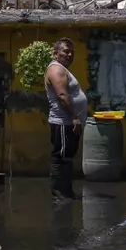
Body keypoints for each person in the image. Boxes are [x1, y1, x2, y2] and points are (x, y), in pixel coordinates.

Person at [44, 37, 88, 200]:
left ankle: (66, 192)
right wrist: (74, 117)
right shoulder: (56, 70)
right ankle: (59, 195)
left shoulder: (62, 69)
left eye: (71, 52)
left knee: (67, 157)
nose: (69, 54)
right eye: (65, 51)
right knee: (61, 157)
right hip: (64, 122)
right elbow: (62, 95)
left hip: (68, 122)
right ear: (56, 54)